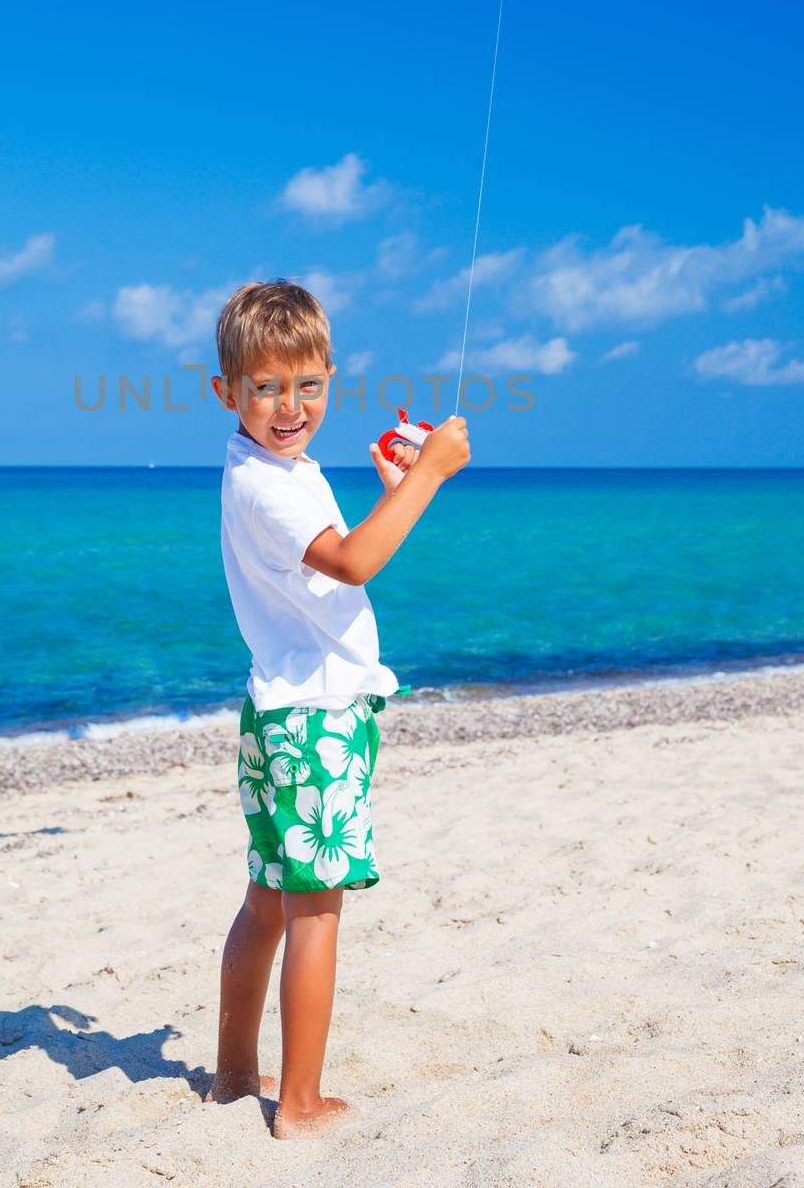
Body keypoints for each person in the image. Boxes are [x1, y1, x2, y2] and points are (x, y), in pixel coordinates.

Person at [206, 278, 470, 1138]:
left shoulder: (265, 469)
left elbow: (327, 557)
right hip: (313, 719)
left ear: (329, 377)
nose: (290, 406)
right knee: (314, 907)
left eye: (307, 385)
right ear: (227, 393)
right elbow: (354, 563)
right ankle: (301, 1104)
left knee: (268, 900)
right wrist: (425, 478)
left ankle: (236, 1073)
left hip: (279, 710)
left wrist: (391, 486)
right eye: (267, 389)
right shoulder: (270, 486)